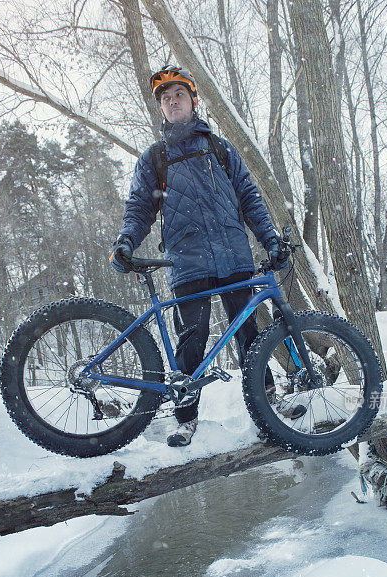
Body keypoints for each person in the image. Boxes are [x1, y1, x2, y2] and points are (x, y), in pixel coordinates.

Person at [111, 65, 292, 446]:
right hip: (187, 259)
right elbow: (139, 207)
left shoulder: (220, 149)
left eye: (178, 94)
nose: (171, 101)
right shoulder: (155, 158)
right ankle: (185, 419)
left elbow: (250, 199)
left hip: (233, 254)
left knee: (250, 335)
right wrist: (127, 240)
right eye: (165, 98)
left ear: (194, 101)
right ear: (161, 108)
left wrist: (270, 239)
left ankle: (269, 407)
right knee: (191, 339)